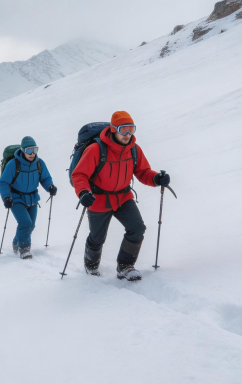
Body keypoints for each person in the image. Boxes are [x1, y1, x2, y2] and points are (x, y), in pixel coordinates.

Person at [71, 111, 170, 281]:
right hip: (98, 199)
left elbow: (142, 171)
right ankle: (91, 266)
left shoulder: (134, 150)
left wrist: (156, 178)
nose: (127, 134)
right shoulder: (95, 149)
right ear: (114, 129)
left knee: (137, 228)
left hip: (123, 197)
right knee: (97, 238)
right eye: (123, 130)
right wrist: (83, 192)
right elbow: (79, 175)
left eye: (131, 129)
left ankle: (125, 266)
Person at [0, 136, 56, 260]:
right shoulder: (13, 164)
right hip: (16, 198)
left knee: (31, 225)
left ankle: (16, 242)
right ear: (23, 150)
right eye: (29, 150)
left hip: (32, 198)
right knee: (25, 222)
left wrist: (50, 186)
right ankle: (24, 249)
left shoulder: (39, 163)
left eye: (35, 150)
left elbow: (45, 178)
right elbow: (3, 182)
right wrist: (6, 197)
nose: (32, 153)